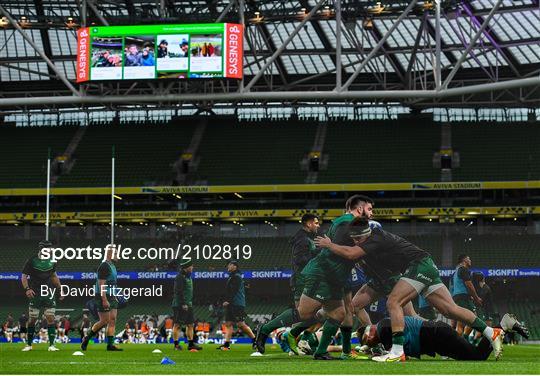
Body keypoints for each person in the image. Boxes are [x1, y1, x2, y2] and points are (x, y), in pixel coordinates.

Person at [315, 218, 504, 362]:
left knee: (393, 302)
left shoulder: (375, 237)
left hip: (418, 265)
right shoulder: (370, 241)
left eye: (360, 238)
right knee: (449, 309)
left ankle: (397, 352)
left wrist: (329, 244)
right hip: (424, 266)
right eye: (354, 239)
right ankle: (490, 332)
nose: (357, 242)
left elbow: (352, 253)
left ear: (369, 232)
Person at [254, 195, 372, 359]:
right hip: (324, 273)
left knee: (338, 313)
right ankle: (265, 329)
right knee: (304, 313)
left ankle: (321, 351)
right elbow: (335, 250)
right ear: (359, 209)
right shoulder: (347, 223)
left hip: (334, 275)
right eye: (369, 209)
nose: (371, 213)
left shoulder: (344, 222)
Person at [360, 316, 507, 361]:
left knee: (477, 357)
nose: (370, 344)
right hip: (437, 339)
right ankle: (499, 328)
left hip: (438, 335)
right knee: (474, 357)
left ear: (369, 334)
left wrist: (378, 356)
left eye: (367, 341)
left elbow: (399, 357)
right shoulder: (384, 326)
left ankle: (500, 327)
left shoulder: (383, 328)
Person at [21, 240, 63, 352]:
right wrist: (27, 289)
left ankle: (52, 345)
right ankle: (29, 345)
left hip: (49, 292)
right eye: (48, 248)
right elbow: (24, 276)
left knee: (50, 318)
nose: (50, 250)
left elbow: (54, 276)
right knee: (32, 320)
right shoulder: (32, 260)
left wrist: (60, 289)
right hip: (35, 293)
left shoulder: (53, 260)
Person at [81, 244, 123, 351]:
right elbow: (101, 284)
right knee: (104, 321)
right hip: (102, 296)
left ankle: (110, 345)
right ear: (110, 253)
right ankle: (87, 339)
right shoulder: (104, 266)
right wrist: (104, 299)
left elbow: (112, 283)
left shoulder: (112, 266)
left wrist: (115, 295)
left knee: (113, 319)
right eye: (116, 253)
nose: (118, 255)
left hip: (112, 295)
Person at [218, 260, 255, 350]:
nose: (228, 267)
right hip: (232, 304)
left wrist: (228, 301)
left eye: (230, 265)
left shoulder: (237, 277)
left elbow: (234, 291)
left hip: (237, 304)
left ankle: (255, 340)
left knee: (240, 325)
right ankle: (226, 344)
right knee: (228, 323)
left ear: (235, 266)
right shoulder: (233, 276)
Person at [172, 259, 202, 352]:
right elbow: (178, 291)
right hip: (180, 305)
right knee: (177, 325)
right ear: (186, 268)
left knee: (190, 324)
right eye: (191, 266)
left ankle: (191, 344)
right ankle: (176, 345)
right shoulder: (180, 277)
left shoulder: (188, 277)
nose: (192, 268)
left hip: (188, 304)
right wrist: (183, 303)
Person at [450, 254, 482, 337]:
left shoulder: (455, 272)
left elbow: (453, 287)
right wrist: (476, 298)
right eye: (469, 259)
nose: (470, 260)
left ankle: (460, 343)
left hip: (457, 297)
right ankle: (463, 340)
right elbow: (469, 284)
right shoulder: (464, 269)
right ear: (464, 260)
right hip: (463, 298)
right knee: (474, 319)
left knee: (460, 323)